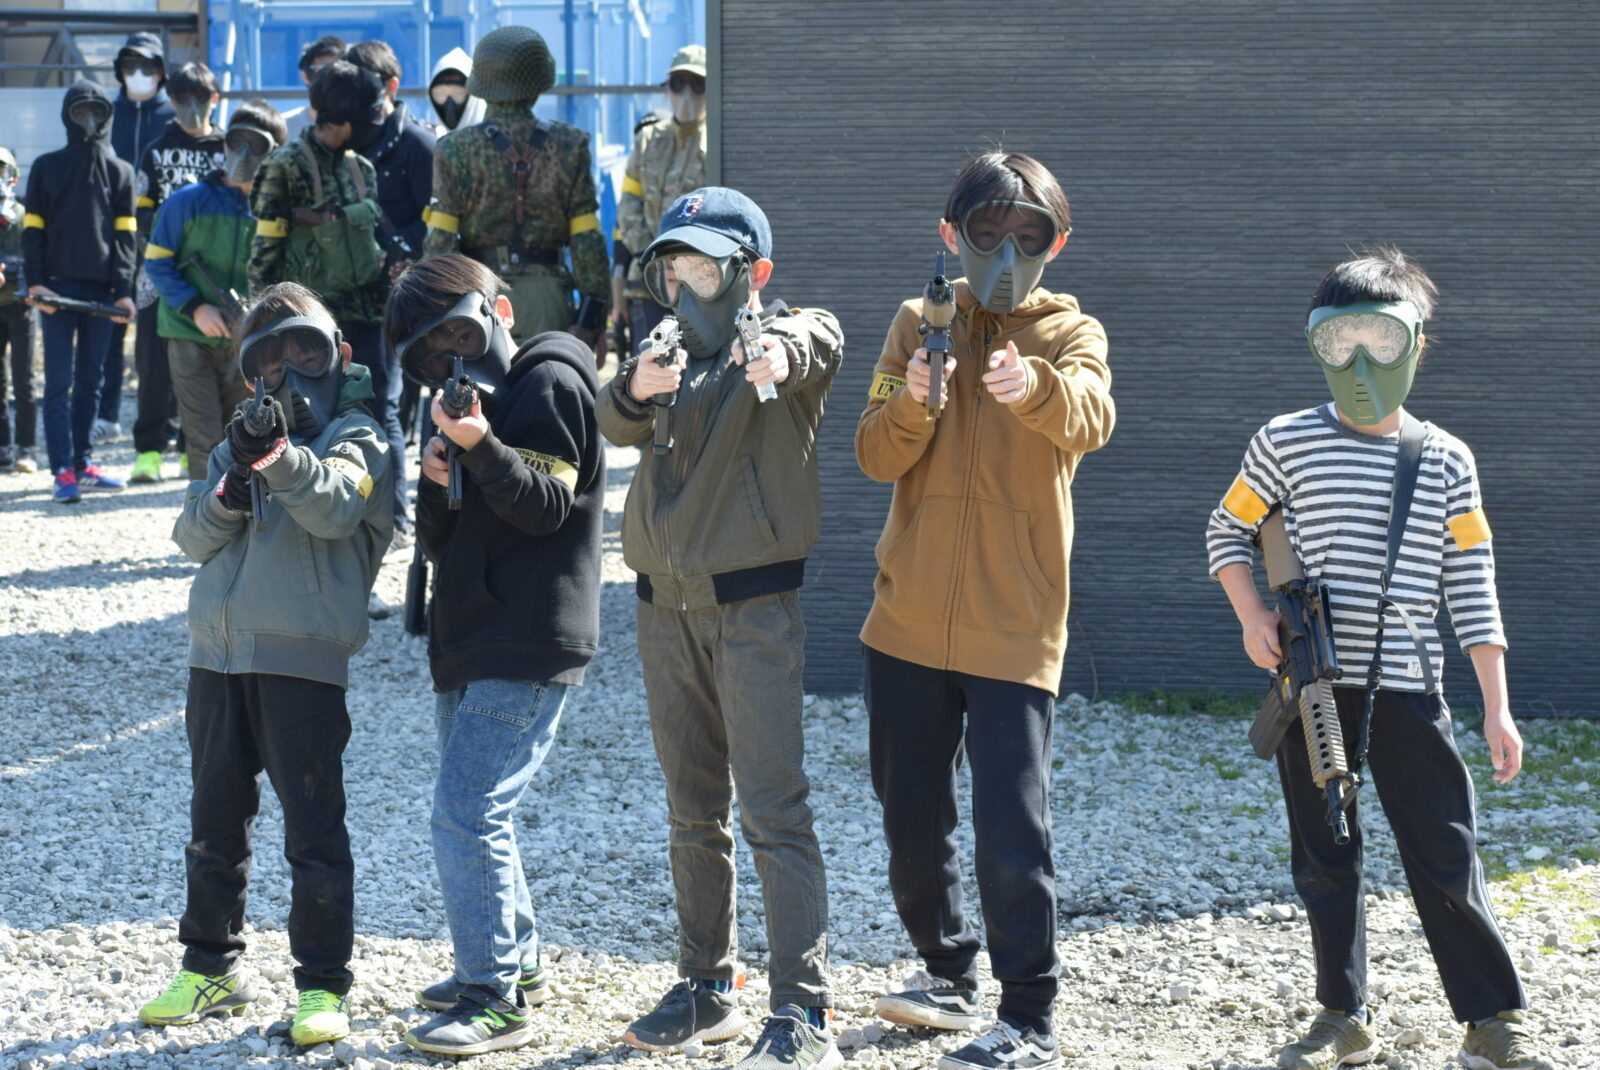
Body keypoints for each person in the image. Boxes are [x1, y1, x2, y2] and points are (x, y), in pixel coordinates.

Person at [1205, 248, 1552, 1070]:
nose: (1361, 364)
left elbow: (1472, 582)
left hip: (1408, 689)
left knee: (1446, 851)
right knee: (1325, 857)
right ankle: (1342, 1016)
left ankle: (1494, 1021)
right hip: (1313, 687)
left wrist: (1497, 707)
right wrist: (1253, 614)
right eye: (1340, 343)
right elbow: (1226, 530)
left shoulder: (1448, 459)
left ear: (1417, 344)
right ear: (1318, 344)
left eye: (1382, 342)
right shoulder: (1284, 441)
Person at [855, 151, 1111, 1070]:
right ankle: (947, 974)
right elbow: (874, 453)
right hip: (907, 624)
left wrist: (1034, 388)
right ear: (950, 235)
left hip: (1015, 629)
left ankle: (1029, 1016)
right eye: (987, 232)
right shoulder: (915, 322)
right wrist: (916, 401)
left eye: (1028, 235)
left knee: (1013, 833)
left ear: (1057, 243)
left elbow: (1092, 417)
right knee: (910, 821)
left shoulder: (1072, 333)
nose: (1007, 253)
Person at [598, 187, 842, 1070]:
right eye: (675, 266)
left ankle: (804, 1010)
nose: (685, 282)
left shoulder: (776, 341)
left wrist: (776, 349)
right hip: (662, 607)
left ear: (752, 272)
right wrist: (633, 384)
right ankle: (707, 986)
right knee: (691, 810)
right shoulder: (663, 353)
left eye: (705, 267)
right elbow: (609, 420)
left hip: (752, 609)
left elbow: (818, 338)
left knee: (773, 806)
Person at [139, 282, 393, 1047]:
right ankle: (209, 964)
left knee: (313, 833)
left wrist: (279, 459)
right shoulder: (238, 440)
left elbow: (337, 507)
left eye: (304, 351)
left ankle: (323, 985)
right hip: (215, 659)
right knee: (213, 824)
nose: (287, 371)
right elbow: (190, 536)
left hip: (300, 663)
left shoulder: (361, 436)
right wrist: (235, 479)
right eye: (268, 359)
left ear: (339, 353)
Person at [381, 255, 604, 1056]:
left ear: (500, 313)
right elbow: (441, 540)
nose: (450, 361)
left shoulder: (551, 382)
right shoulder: (457, 410)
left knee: (467, 810)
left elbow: (547, 507)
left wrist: (478, 445)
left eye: (459, 336)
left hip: (529, 633)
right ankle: (518, 962)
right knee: (477, 810)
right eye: (429, 354)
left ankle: (492, 996)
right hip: (469, 633)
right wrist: (438, 472)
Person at [249, 60, 410, 542]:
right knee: (303, 419)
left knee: (379, 415)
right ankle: (304, 520)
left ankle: (391, 520)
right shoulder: (283, 167)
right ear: (340, 119)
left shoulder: (363, 169)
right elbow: (265, 254)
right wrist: (258, 332)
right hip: (305, 333)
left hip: (365, 318)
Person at [423, 26, 608, 366]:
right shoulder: (570, 145)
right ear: (538, 85)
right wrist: (592, 321)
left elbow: (441, 246)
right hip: (548, 298)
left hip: (478, 297)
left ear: (480, 85)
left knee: (481, 394)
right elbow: (588, 243)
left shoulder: (453, 149)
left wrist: (439, 316)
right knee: (550, 387)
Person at [145, 99, 285, 480]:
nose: (243, 154)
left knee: (245, 438)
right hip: (189, 333)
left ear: (274, 152)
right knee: (204, 439)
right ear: (224, 142)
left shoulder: (277, 209)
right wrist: (195, 307)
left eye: (256, 145)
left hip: (251, 340)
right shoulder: (185, 202)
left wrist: (263, 319)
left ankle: (239, 513)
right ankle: (205, 516)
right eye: (237, 141)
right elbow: (156, 263)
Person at [22, 79, 136, 504]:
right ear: (67, 117)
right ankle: (62, 472)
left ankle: (84, 463)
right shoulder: (46, 167)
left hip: (103, 295)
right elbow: (32, 230)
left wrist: (123, 291)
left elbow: (126, 238)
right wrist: (36, 282)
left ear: (107, 116)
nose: (89, 119)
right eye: (80, 111)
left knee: (91, 381)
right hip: (54, 290)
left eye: (96, 111)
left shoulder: (121, 172)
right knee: (58, 383)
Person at [130, 60, 227, 484]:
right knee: (153, 367)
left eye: (200, 98)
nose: (192, 107)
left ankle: (194, 450)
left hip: (214, 278)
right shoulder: (155, 151)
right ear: (171, 101)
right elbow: (140, 215)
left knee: (209, 367)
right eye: (183, 99)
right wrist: (168, 244)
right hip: (160, 277)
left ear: (215, 99)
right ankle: (149, 451)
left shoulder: (228, 149)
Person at [346, 38, 437, 451]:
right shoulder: (344, 141)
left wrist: (399, 254)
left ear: (392, 86)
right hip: (349, 296)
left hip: (402, 296)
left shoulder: (418, 144)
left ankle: (399, 494)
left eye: (364, 84)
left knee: (389, 406)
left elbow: (436, 222)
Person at [99, 31, 178, 446]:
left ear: (162, 71)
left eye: (147, 65)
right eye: (130, 65)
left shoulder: (174, 115)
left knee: (167, 332)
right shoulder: (107, 114)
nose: (138, 73)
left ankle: (174, 419)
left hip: (160, 239)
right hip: (112, 238)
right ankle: (106, 413)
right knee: (110, 326)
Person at [614, 45, 707, 352]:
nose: (687, 94)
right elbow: (629, 204)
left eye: (697, 84)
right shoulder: (648, 139)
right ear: (668, 88)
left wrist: (687, 260)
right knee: (648, 361)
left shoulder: (718, 139)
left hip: (700, 283)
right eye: (679, 83)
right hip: (647, 279)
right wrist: (651, 254)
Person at [0, 147, 39, 474]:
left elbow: (37, 256)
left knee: (24, 380)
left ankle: (27, 448)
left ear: (12, 176)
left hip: (21, 307)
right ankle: (3, 448)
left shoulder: (24, 215)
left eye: (2, 171)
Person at [280, 36, 347, 144]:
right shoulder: (284, 126)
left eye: (337, 71)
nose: (330, 79)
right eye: (321, 71)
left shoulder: (358, 126)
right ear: (305, 77)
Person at [426, 47, 486, 134]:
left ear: (473, 96)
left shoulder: (493, 137)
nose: (449, 106)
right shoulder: (430, 138)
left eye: (458, 93)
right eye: (441, 94)